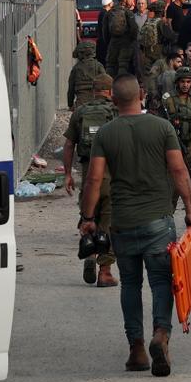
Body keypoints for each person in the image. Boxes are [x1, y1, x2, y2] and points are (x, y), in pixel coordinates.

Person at [79, 74, 191, 375]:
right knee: (161, 282)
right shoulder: (162, 127)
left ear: (114, 101)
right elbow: (179, 170)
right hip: (158, 221)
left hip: (123, 223)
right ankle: (161, 334)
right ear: (141, 96)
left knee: (130, 284)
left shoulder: (106, 134)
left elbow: (94, 179)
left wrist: (89, 218)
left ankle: (137, 350)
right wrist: (190, 211)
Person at [64, 74, 120, 288]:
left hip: (88, 174)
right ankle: (104, 272)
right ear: (110, 91)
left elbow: (69, 145)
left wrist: (68, 174)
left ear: (94, 91)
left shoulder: (80, 113)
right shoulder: (115, 112)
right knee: (108, 223)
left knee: (88, 217)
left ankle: (89, 255)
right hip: (110, 174)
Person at [160, 68, 191, 209]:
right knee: (172, 182)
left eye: (188, 82)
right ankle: (168, 213)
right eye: (182, 82)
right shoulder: (167, 99)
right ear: (177, 82)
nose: (185, 85)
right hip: (173, 145)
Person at [137, 0, 174, 104]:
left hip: (147, 52)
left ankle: (150, 98)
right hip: (159, 52)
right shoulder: (161, 23)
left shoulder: (149, 21)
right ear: (162, 11)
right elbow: (170, 36)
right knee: (163, 75)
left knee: (150, 76)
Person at [105, 0, 138, 77]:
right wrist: (132, 40)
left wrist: (110, 42)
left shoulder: (109, 13)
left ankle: (109, 87)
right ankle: (121, 85)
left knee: (110, 65)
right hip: (126, 43)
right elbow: (134, 29)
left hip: (113, 42)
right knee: (123, 65)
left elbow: (104, 32)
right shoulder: (128, 12)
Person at [67, 40, 107, 109]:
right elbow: (105, 82)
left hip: (81, 103)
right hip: (97, 101)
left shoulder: (76, 68)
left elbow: (71, 89)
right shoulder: (98, 66)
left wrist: (70, 104)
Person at [96, 0, 114, 65]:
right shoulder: (106, 14)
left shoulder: (101, 13)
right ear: (109, 4)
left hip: (101, 42)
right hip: (105, 43)